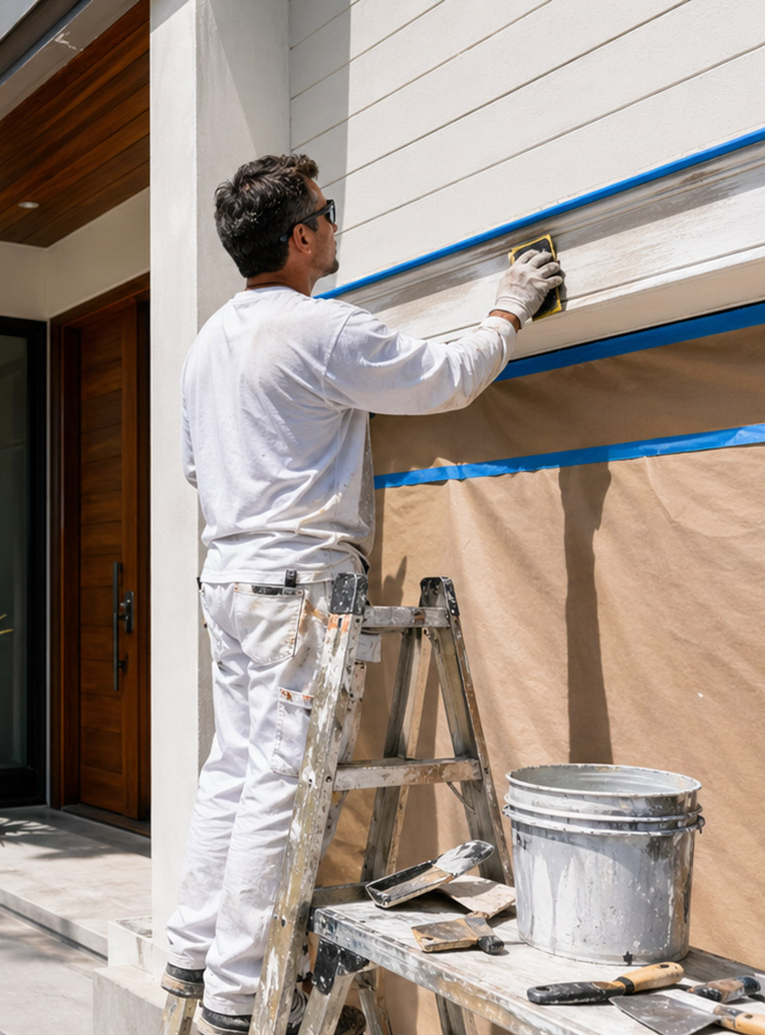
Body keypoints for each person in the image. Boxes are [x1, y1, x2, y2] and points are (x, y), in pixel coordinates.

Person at [165, 153, 562, 1034]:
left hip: (230, 581)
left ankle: (190, 956)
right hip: (296, 588)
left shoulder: (207, 345)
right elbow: (448, 377)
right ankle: (235, 999)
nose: (337, 225)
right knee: (275, 779)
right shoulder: (320, 331)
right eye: (328, 212)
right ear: (301, 237)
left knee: (232, 769)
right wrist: (509, 306)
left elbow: (200, 466)